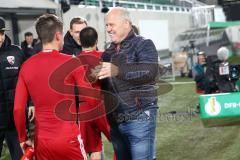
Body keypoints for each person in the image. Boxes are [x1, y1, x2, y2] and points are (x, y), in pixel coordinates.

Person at [14, 14, 90, 160]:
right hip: (69, 139)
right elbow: (90, 98)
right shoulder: (72, 62)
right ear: (57, 35)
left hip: (42, 141)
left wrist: (23, 138)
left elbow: (18, 109)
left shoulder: (26, 66)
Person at [93, 7, 159, 160]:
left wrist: (117, 70)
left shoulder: (143, 44)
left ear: (126, 23)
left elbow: (150, 72)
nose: (108, 29)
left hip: (140, 115)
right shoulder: (108, 52)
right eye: (107, 25)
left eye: (112, 25)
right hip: (115, 119)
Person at [78, 26, 112, 160]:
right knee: (119, 142)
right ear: (97, 41)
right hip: (101, 105)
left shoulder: (73, 61)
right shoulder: (103, 56)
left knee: (94, 149)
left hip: (83, 109)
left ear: (80, 41)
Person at [0, 16, 24, 160]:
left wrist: (31, 104)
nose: (0, 37)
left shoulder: (17, 52)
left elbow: (27, 81)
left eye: (1, 33)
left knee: (20, 157)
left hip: (14, 120)